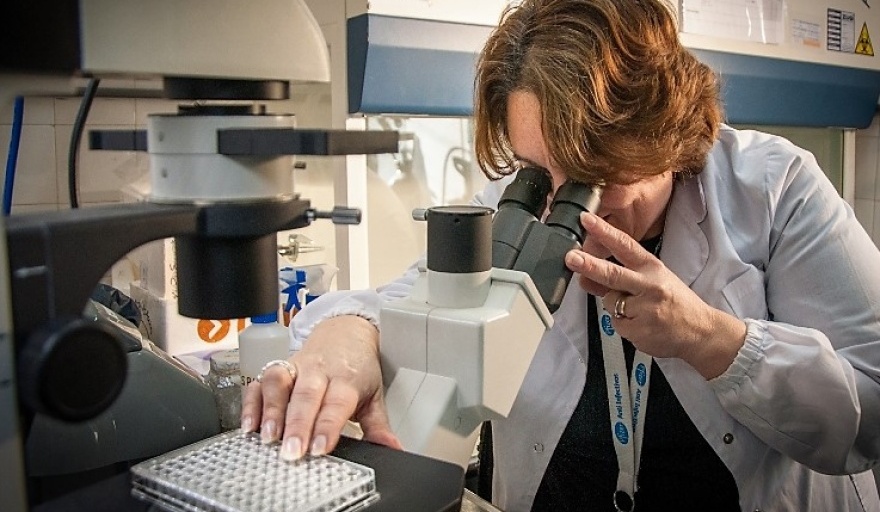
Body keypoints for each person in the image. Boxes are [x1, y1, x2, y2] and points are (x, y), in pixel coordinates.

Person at [241, 0, 880, 509]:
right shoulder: (517, 211)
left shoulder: (775, 187)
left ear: (663, 135)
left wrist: (709, 339)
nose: (561, 206)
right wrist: (347, 334)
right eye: (536, 171)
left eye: (592, 175)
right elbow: (404, 303)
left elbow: (870, 414)